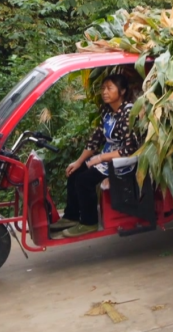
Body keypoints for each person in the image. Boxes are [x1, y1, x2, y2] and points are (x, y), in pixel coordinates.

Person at [49, 74, 140, 238]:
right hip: (107, 156)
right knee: (75, 173)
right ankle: (71, 216)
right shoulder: (107, 112)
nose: (104, 92)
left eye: (109, 88)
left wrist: (100, 158)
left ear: (122, 91)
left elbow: (130, 148)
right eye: (103, 88)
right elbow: (95, 140)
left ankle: (89, 222)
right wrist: (78, 162)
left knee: (84, 180)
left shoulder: (128, 112)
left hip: (123, 161)